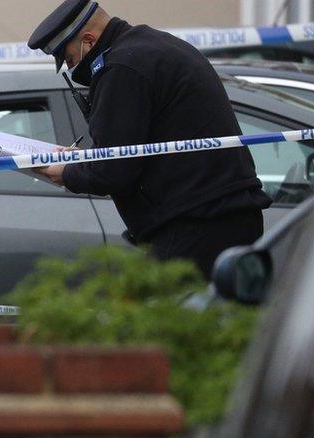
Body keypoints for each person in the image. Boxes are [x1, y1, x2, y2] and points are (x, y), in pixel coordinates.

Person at [29, 0, 272, 278]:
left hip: (194, 225)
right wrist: (81, 159)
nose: (72, 69)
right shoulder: (155, 46)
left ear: (88, 40)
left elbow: (116, 169)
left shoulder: (121, 68)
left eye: (70, 59)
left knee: (170, 319)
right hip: (222, 217)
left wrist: (67, 173)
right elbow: (137, 143)